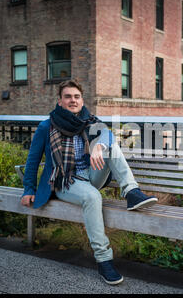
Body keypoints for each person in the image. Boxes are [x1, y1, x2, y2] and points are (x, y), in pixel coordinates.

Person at [20, 79, 158, 285]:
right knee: (93, 197)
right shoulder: (46, 126)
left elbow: (108, 136)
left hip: (91, 175)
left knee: (110, 144)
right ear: (60, 101)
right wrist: (28, 189)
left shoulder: (91, 121)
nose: (72, 100)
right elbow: (32, 160)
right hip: (65, 181)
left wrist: (99, 146)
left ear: (82, 101)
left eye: (76, 97)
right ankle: (104, 260)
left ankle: (131, 191)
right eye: (68, 97)